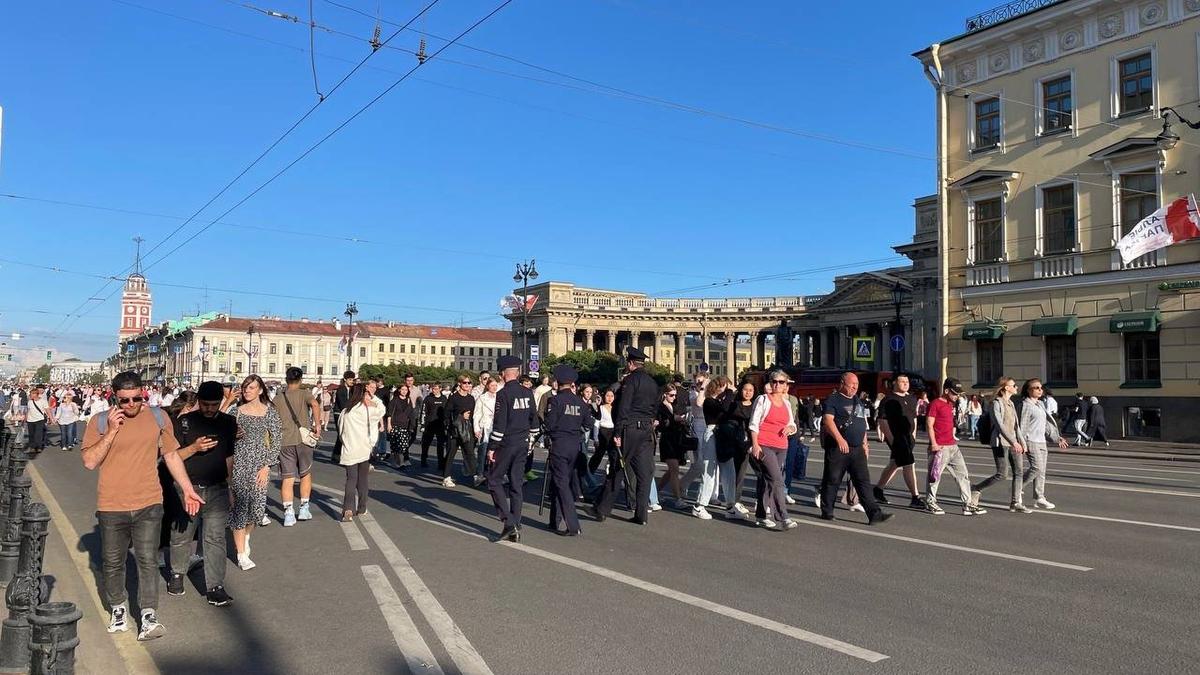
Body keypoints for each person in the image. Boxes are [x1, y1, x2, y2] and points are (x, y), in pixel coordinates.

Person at [81, 372, 204, 641]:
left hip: (149, 502)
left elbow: (171, 456)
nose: (131, 404)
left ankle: (149, 615)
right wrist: (111, 431)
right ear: (114, 397)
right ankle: (118, 608)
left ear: (143, 394)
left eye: (137, 398)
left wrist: (188, 489)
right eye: (124, 400)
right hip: (112, 505)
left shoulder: (158, 418)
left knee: (147, 560)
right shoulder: (99, 421)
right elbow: (90, 461)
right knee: (113, 562)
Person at [166, 382, 236, 606]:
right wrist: (194, 448)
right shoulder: (184, 422)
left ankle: (215, 586)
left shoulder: (228, 422)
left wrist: (230, 486)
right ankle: (177, 574)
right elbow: (173, 457)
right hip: (188, 488)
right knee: (182, 534)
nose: (209, 409)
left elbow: (229, 456)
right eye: (205, 404)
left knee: (215, 538)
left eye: (214, 405)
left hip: (217, 488)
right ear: (198, 401)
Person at [592, 347, 660, 526]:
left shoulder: (630, 381)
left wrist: (617, 432)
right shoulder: (653, 383)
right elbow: (655, 407)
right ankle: (641, 514)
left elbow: (623, 407)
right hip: (646, 430)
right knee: (644, 474)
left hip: (629, 429)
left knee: (618, 468)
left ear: (630, 364)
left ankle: (602, 509)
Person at [818, 373, 893, 525]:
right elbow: (828, 421)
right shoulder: (833, 399)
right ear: (842, 383)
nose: (854, 387)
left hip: (857, 449)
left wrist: (865, 443)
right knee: (832, 479)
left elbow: (861, 422)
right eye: (851, 384)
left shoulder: (857, 400)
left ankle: (874, 514)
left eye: (856, 384)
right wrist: (840, 439)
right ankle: (827, 511)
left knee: (863, 481)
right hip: (838, 448)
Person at [228, 375, 282, 570]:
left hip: (260, 466)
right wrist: (233, 434)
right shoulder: (236, 412)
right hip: (239, 464)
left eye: (251, 388)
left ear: (260, 390)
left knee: (256, 510)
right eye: (245, 387)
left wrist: (267, 466)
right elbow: (225, 438)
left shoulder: (270, 413)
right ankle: (241, 555)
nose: (247, 391)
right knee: (239, 508)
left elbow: (276, 440)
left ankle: (246, 535)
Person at [487, 355, 537, 542]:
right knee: (516, 483)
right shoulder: (527, 392)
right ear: (517, 372)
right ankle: (516, 522)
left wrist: (492, 447)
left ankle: (509, 523)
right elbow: (534, 421)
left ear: (502, 374)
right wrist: (531, 439)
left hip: (507, 443)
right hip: (523, 442)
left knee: (494, 480)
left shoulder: (503, 394)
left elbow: (500, 425)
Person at [924, 379, 987, 516]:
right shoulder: (935, 404)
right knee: (934, 476)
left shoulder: (950, 404)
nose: (957, 396)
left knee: (962, 474)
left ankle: (968, 504)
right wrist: (933, 443)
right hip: (939, 447)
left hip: (952, 446)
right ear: (946, 391)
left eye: (958, 394)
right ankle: (930, 502)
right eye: (955, 393)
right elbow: (929, 424)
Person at [545, 365, 594, 536]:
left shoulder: (555, 401)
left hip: (559, 444)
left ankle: (573, 525)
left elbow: (549, 425)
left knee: (562, 484)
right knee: (559, 481)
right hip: (574, 445)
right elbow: (588, 424)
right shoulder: (580, 402)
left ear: (558, 382)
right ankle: (554, 520)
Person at [748, 370, 799, 530]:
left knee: (767, 480)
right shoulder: (763, 399)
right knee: (777, 479)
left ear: (786, 385)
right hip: (764, 444)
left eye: (781, 382)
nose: (777, 384)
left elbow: (792, 424)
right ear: (770, 383)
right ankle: (783, 516)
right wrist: (755, 445)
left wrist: (790, 428)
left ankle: (761, 515)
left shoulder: (787, 403)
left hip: (781, 446)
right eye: (774, 381)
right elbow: (754, 423)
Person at [272, 367, 321, 527]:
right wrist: (317, 425)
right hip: (303, 440)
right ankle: (304, 508)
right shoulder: (304, 393)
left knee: (287, 478)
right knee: (305, 474)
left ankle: (288, 513)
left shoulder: (278, 398)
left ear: (286, 379)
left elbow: (273, 419)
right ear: (300, 380)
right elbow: (315, 404)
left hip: (284, 440)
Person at [970, 377, 1027, 513]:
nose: (1016, 387)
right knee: (1002, 474)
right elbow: (1000, 425)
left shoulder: (1011, 403)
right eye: (1014, 385)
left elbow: (1016, 426)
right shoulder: (996, 403)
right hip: (1000, 443)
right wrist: (1014, 442)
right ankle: (976, 488)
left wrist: (1022, 442)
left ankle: (1015, 502)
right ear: (1006, 388)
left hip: (1014, 443)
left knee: (1019, 472)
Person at [871, 373, 925, 509]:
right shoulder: (888, 400)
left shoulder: (912, 398)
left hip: (909, 438)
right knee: (909, 464)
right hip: (897, 438)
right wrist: (892, 440)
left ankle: (877, 490)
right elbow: (882, 421)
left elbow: (914, 418)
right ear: (894, 383)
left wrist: (914, 436)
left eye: (907, 382)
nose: (906, 384)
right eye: (902, 381)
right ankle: (915, 497)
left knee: (894, 463)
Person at [1018, 378, 1068, 510]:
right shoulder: (1025, 405)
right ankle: (1017, 487)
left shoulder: (1040, 404)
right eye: (1036, 388)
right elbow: (1022, 426)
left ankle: (1039, 498)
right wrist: (1022, 442)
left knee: (1042, 472)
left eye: (1041, 388)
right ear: (1028, 390)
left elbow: (1046, 425)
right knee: (1037, 468)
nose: (1040, 390)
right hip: (1030, 440)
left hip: (1041, 441)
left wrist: (1057, 438)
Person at [338, 381, 384, 522]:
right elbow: (382, 409)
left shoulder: (345, 412)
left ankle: (348, 508)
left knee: (351, 479)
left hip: (349, 448)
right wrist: (373, 397)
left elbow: (341, 431)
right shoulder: (368, 410)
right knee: (363, 479)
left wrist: (346, 442)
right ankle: (362, 507)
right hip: (364, 448)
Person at [655, 383, 686, 507]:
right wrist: (674, 419)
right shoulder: (660, 407)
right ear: (665, 394)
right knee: (674, 469)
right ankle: (678, 498)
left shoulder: (673, 405)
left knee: (671, 470)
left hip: (676, 439)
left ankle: (656, 492)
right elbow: (660, 424)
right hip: (667, 440)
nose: (674, 397)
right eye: (671, 395)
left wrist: (681, 420)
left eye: (675, 395)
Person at [442, 376, 477, 487]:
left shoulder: (471, 398)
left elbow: (473, 415)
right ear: (459, 384)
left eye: (469, 383)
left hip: (467, 429)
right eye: (465, 382)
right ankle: (446, 477)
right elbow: (446, 414)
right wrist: (460, 416)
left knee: (470, 453)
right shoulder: (454, 398)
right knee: (451, 453)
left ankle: (476, 475)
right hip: (455, 430)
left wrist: (475, 429)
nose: (467, 384)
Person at [471, 378, 499, 487]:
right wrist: (476, 428)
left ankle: (491, 474)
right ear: (487, 386)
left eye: (496, 385)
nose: (494, 388)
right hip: (485, 426)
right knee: (483, 452)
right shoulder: (482, 398)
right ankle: (479, 474)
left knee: (495, 452)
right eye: (492, 385)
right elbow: (477, 414)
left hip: (496, 427)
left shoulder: (499, 397)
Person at [387, 383, 418, 469]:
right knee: (396, 444)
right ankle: (399, 462)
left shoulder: (408, 400)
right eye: (402, 389)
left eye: (406, 390)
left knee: (403, 445)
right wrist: (389, 425)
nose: (404, 391)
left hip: (405, 425)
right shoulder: (395, 400)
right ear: (399, 390)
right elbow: (389, 413)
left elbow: (411, 414)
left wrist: (412, 425)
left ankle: (400, 461)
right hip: (395, 424)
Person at [420, 383, 448, 469]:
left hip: (440, 425)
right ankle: (423, 459)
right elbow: (423, 411)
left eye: (436, 389)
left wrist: (447, 423)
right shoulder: (428, 398)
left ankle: (440, 463)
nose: (434, 390)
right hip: (429, 424)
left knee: (440, 445)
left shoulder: (444, 399)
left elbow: (447, 412)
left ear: (440, 389)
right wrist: (423, 424)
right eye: (433, 389)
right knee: (426, 443)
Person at [330, 371, 355, 463]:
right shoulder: (341, 389)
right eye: (350, 379)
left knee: (343, 434)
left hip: (346, 413)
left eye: (353, 379)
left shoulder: (351, 389)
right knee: (341, 434)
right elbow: (342, 404)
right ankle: (337, 454)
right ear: (345, 379)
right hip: (339, 413)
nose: (352, 381)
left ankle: (336, 454)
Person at [25, 385, 49, 453]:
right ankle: (32, 447)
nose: (30, 395)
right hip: (30, 420)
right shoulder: (30, 402)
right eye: (30, 394)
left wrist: (51, 418)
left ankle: (39, 447)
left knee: (38, 434)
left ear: (36, 394)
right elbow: (28, 411)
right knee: (31, 434)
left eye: (32, 394)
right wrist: (25, 418)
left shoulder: (43, 401)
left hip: (39, 419)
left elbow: (47, 410)